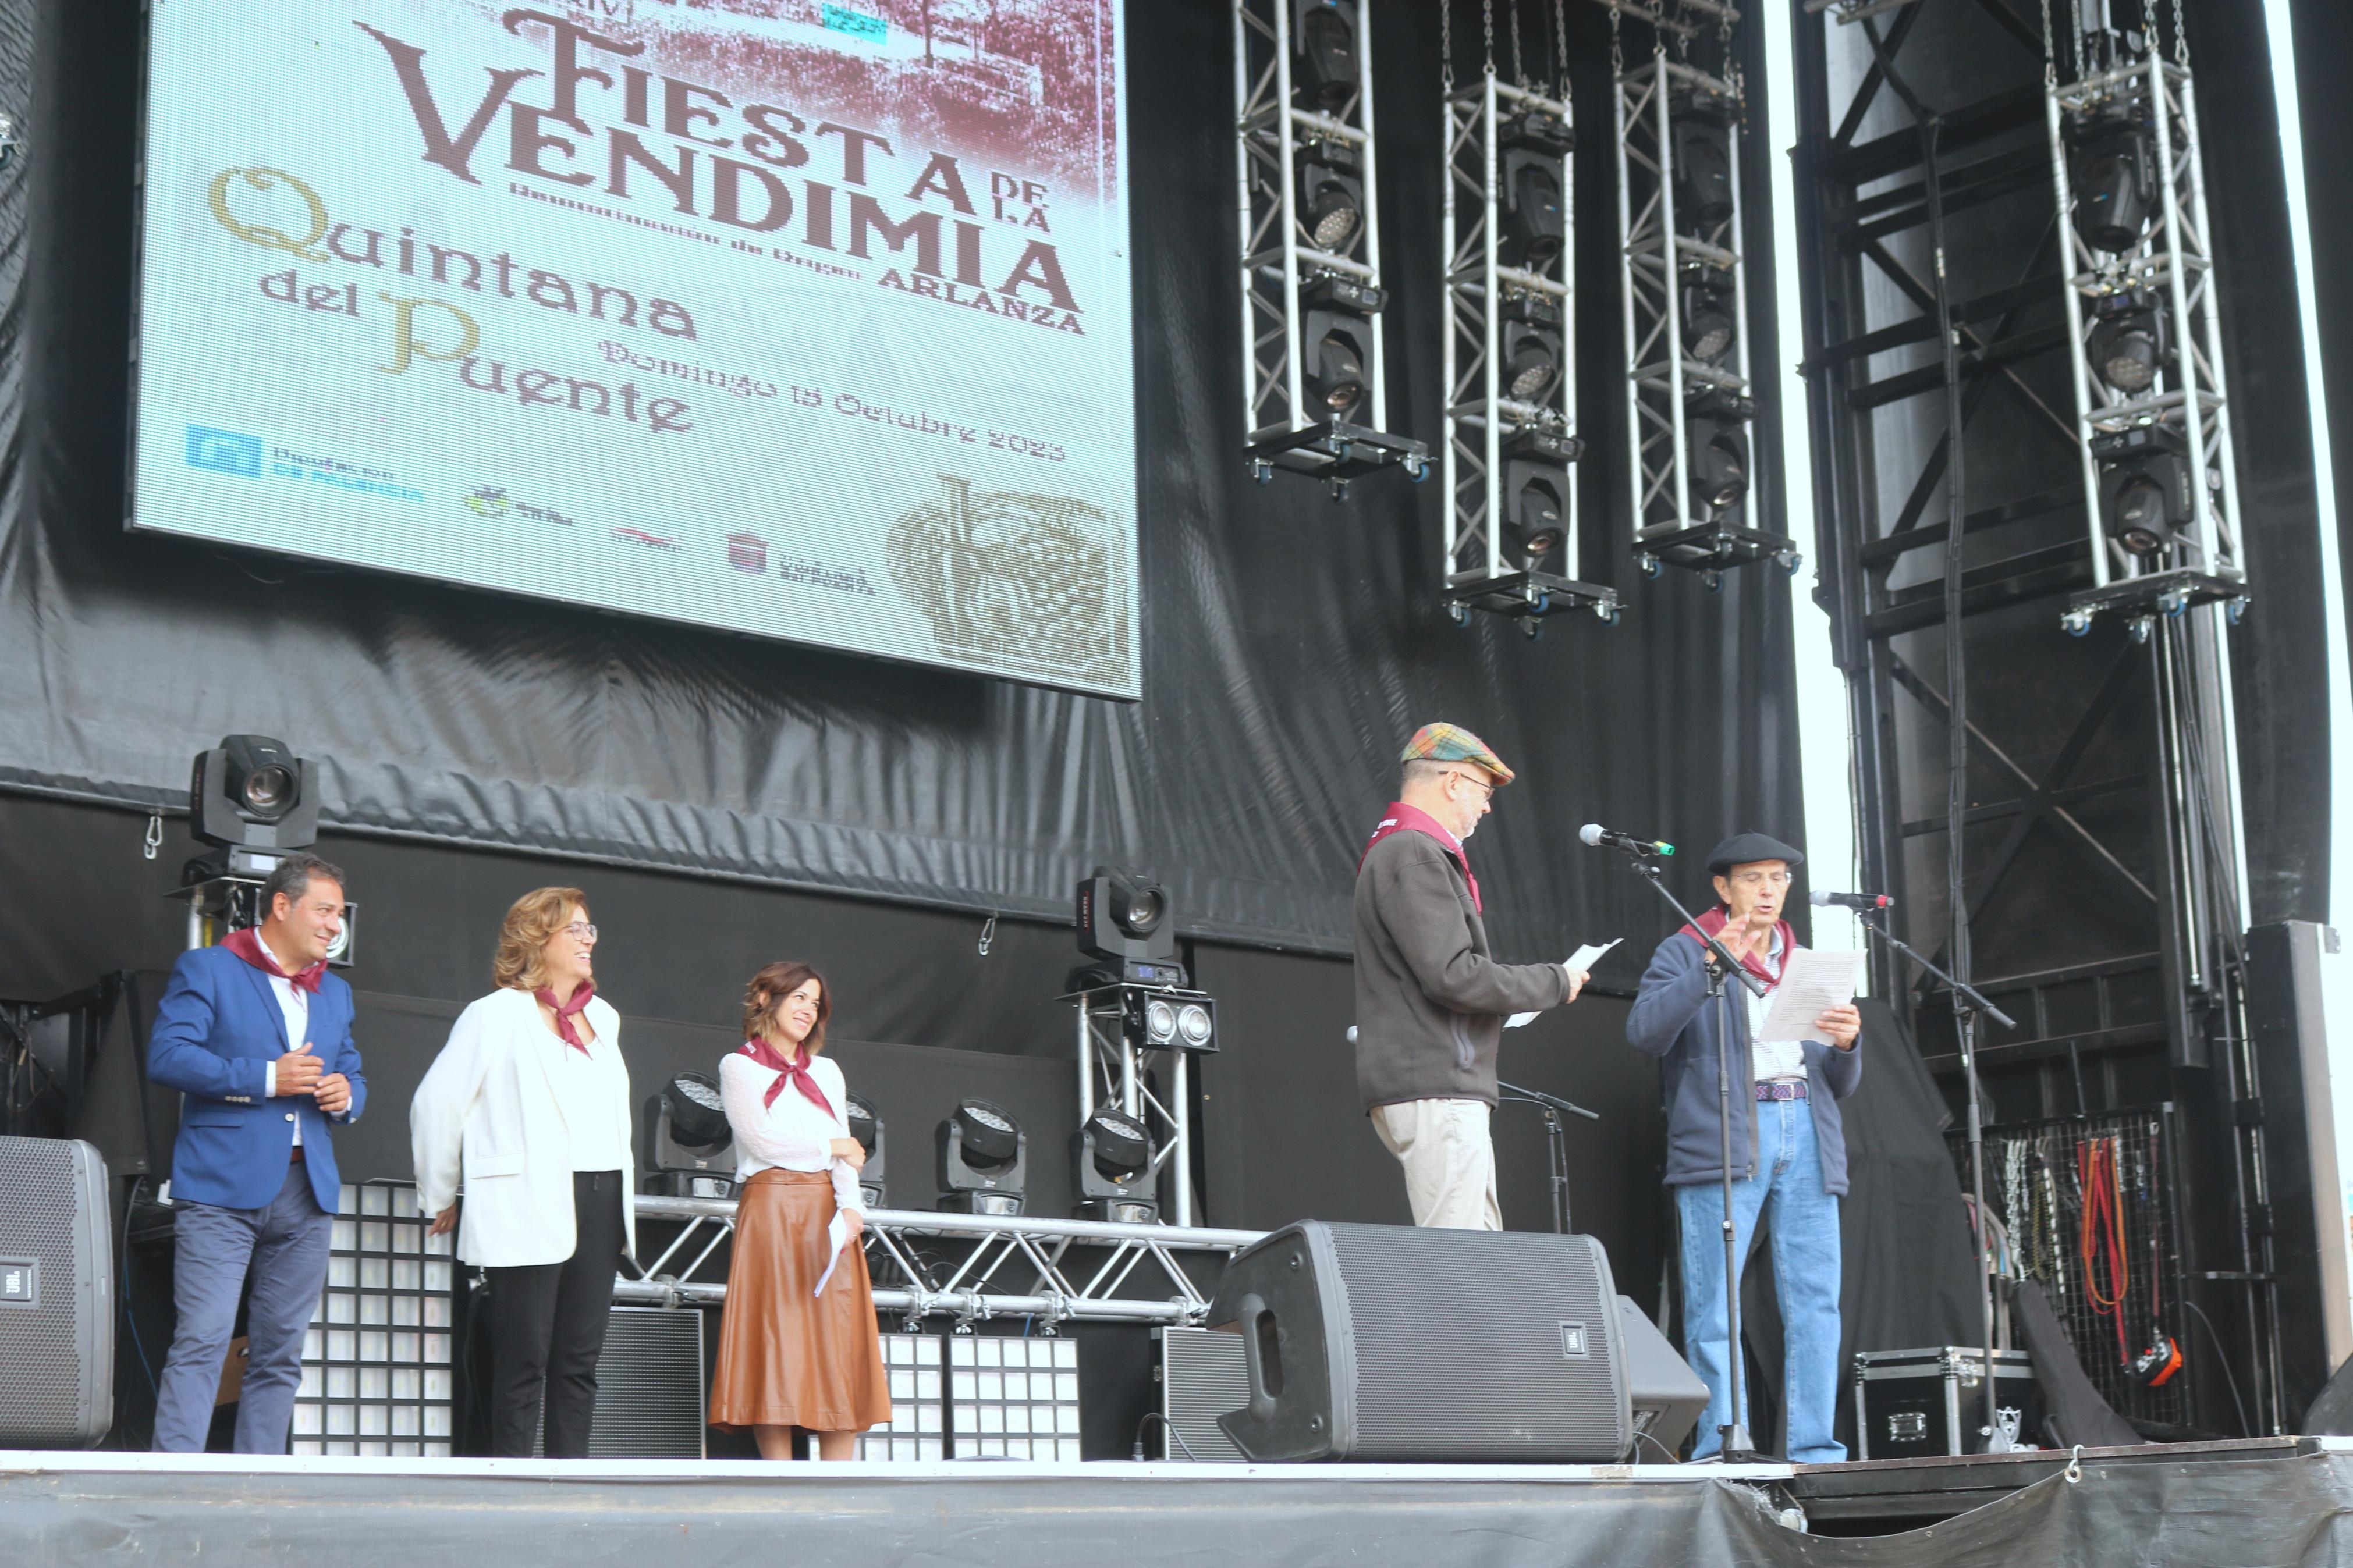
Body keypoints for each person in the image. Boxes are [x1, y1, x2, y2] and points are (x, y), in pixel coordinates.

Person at [1626, 832, 1864, 1463]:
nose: (1767, 889)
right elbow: (1644, 1033)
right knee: (1715, 1298)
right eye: (1753, 877)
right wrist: (1709, 970)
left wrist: (1846, 1045)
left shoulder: (1805, 961)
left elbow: (1839, 1085)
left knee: (1815, 1299)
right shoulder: (1684, 950)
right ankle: (1721, 1443)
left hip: (1806, 1125)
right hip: (1728, 1131)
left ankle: (1815, 1447)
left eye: (1778, 878)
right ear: (1721, 887)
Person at [148, 852, 365, 1453]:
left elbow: (353, 1072)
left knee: (281, 1350)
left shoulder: (336, 992)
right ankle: (174, 1484)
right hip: (220, 1188)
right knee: (203, 1339)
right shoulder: (210, 968)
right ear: (281, 905)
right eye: (323, 910)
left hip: (306, 1192)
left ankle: (260, 1485)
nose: (333, 924)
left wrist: (348, 1094)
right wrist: (268, 1077)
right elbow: (168, 1057)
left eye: (337, 914)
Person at [411, 887, 633, 1459]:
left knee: (578, 1362)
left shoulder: (602, 1019)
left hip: (601, 1193)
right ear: (538, 939)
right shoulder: (496, 1014)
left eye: (591, 930)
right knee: (523, 1361)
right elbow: (437, 1105)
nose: (590, 940)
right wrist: (440, 1193)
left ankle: (573, 1492)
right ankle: (511, 1493)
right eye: (576, 930)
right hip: (526, 1199)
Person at [1351, 723, 1592, 1230]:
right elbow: (1453, 976)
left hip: (1436, 1085)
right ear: (1453, 782)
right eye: (1484, 791)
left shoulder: (1403, 849)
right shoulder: (1413, 851)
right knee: (1459, 1266)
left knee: (1476, 1261)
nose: (1486, 806)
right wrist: (1555, 981)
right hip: (1439, 1087)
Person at [707, 961, 890, 1459]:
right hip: (771, 1205)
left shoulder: (825, 1070)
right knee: (776, 1336)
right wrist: (836, 1144)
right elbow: (762, 1140)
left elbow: (845, 1156)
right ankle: (781, 1477)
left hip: (827, 1211)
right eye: (799, 997)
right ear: (766, 996)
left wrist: (852, 1207)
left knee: (838, 1339)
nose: (808, 1009)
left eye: (815, 1001)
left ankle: (838, 1482)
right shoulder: (739, 1065)